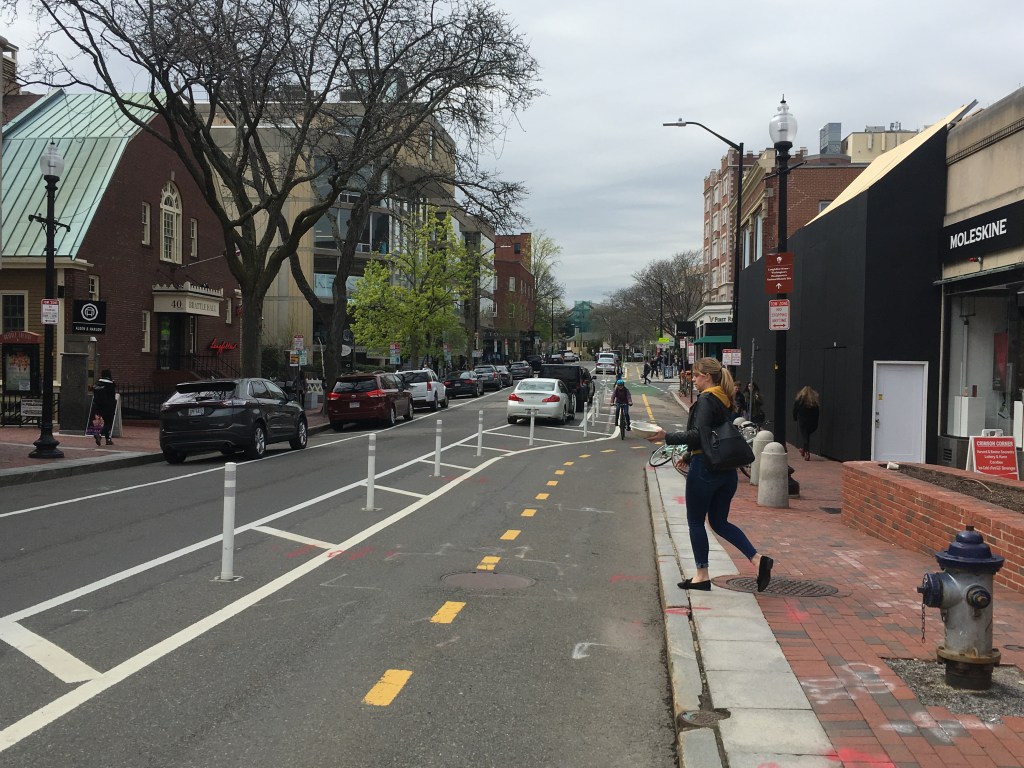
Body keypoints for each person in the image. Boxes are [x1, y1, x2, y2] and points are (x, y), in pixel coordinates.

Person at [643, 357, 773, 592]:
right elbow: (714, 437)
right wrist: (689, 456)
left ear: (708, 377)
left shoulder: (705, 401)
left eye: (696, 375)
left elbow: (697, 435)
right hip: (727, 471)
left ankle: (701, 575)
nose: (693, 380)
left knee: (695, 521)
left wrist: (666, 436)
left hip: (706, 470)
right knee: (720, 522)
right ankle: (757, 559)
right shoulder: (725, 400)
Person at [793, 385, 821, 461]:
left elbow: (795, 410)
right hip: (813, 424)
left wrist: (795, 418)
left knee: (805, 437)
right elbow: (817, 413)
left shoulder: (799, 401)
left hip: (803, 423)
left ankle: (807, 453)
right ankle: (804, 450)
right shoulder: (814, 402)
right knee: (806, 436)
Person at [92, 369, 117, 446]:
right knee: (108, 423)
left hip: (98, 406)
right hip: (108, 406)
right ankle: (99, 434)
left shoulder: (97, 383)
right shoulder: (110, 384)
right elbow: (112, 395)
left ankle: (108, 440)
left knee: (106, 422)